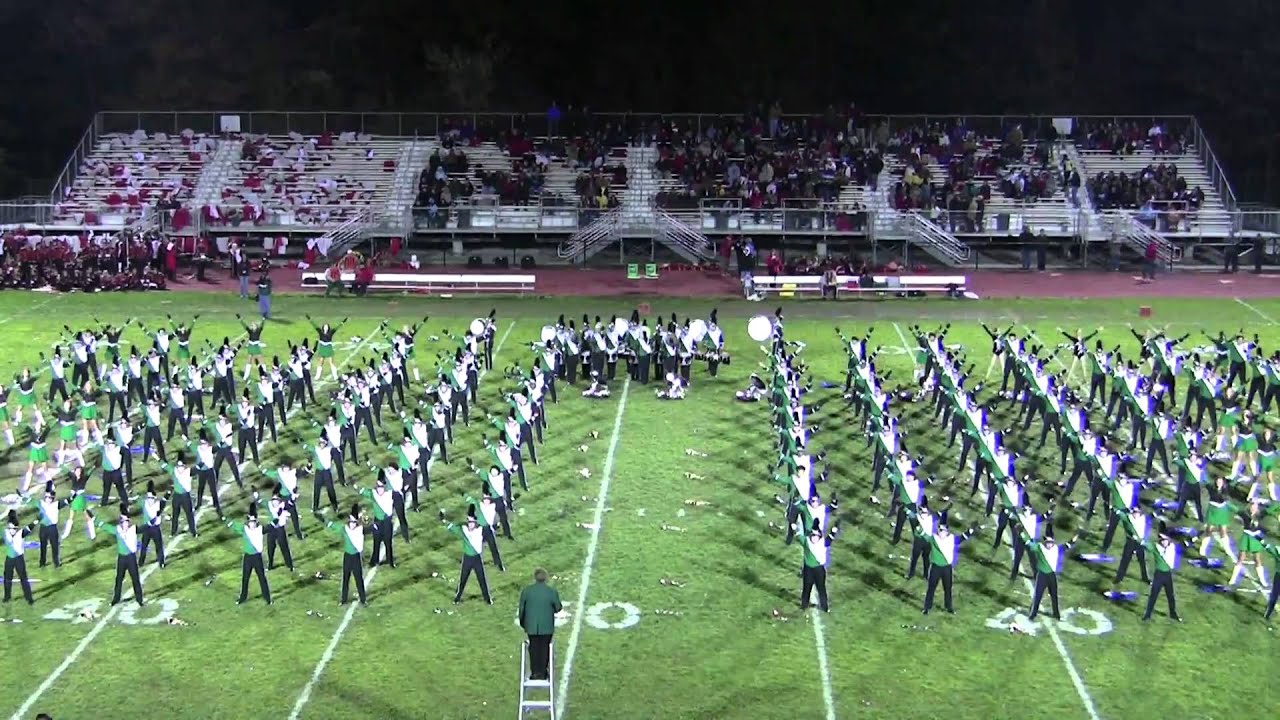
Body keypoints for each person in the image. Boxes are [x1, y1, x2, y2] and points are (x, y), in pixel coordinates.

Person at [519, 568, 562, 681]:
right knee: (544, 648)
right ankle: (542, 672)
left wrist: (524, 624)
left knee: (533, 648)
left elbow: (522, 610)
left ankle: (535, 672)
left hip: (531, 626)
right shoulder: (551, 591)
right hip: (546, 626)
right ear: (546, 578)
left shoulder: (527, 591)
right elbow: (558, 607)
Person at [225, 500, 272, 605]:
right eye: (250, 522)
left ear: (256, 522)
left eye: (253, 522)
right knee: (245, 578)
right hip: (247, 558)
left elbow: (273, 524)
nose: (251, 524)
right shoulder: (245, 529)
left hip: (257, 558)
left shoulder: (260, 529)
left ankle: (267, 597)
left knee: (262, 578)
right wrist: (226, 520)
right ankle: (243, 597)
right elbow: (233, 526)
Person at [3, 510, 36, 604]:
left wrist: (36, 521)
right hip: (9, 558)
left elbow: (30, 527)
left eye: (13, 528)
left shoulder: (21, 533)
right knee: (7, 578)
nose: (11, 530)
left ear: (16, 528)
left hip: (19, 559)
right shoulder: (5, 532)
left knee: (23, 578)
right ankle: (7, 597)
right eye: (9, 528)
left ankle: (29, 598)